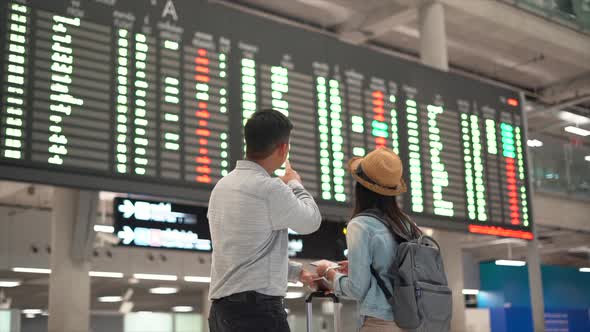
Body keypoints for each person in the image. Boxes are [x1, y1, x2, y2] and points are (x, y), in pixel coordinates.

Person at [207, 109, 322, 332]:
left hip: (221, 314)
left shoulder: (221, 187)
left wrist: (296, 272)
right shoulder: (270, 188)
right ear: (283, 148)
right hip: (257, 313)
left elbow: (243, 255)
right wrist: (294, 183)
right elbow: (311, 221)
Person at [315, 147, 422, 332]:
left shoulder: (361, 225)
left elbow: (357, 289)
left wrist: (329, 273)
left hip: (381, 323)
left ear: (361, 186)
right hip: (415, 321)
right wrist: (358, 268)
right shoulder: (407, 224)